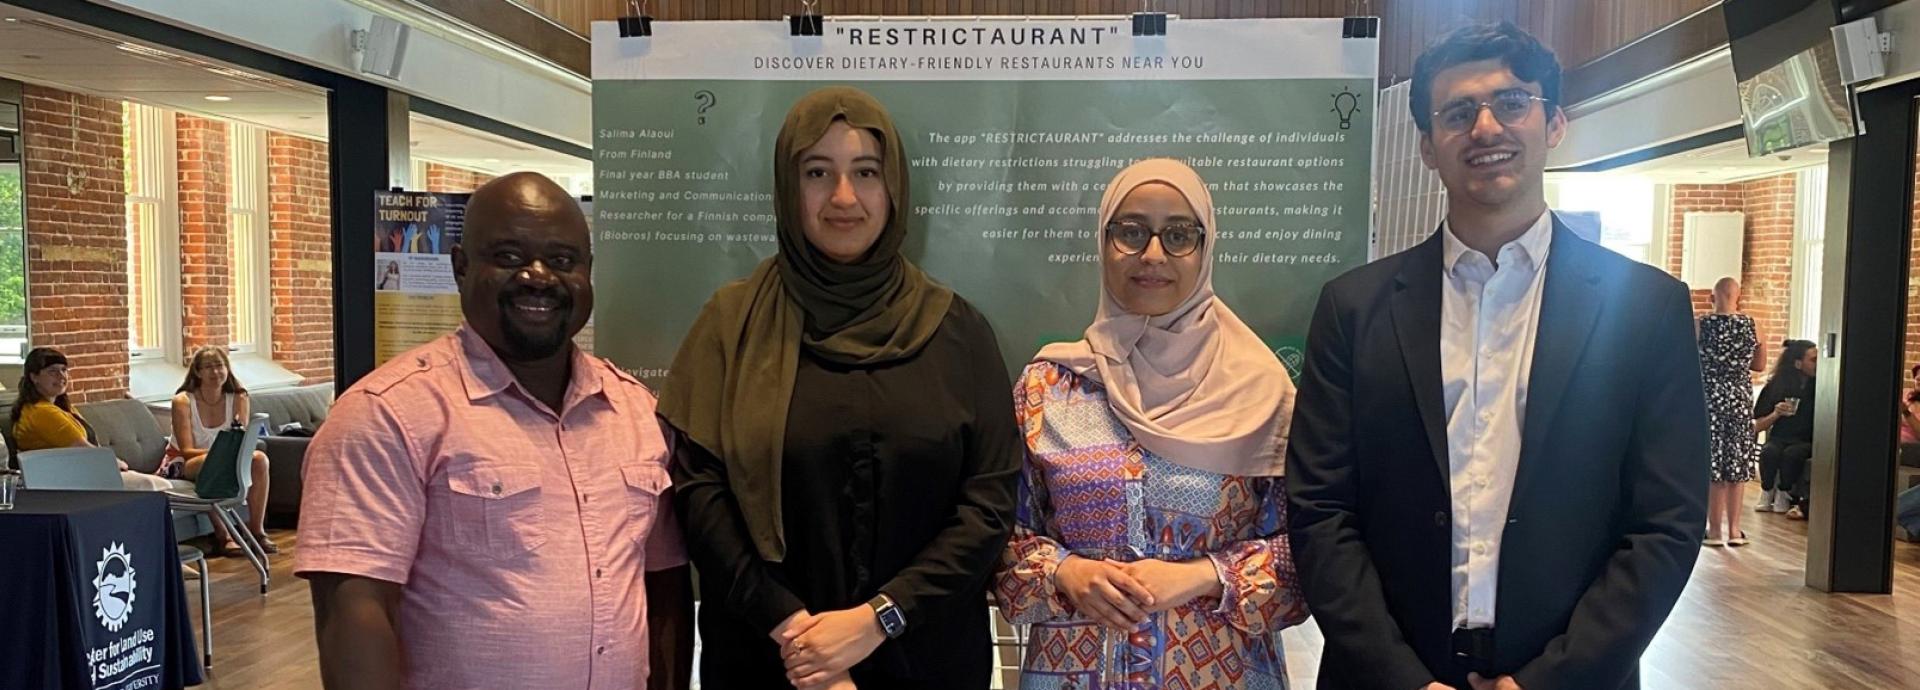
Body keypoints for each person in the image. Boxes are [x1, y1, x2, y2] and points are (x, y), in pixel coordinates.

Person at [1285, 22, 1708, 690]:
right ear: (1428, 146)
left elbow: (1666, 526)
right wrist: (1401, 678)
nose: (1485, 128)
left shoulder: (1646, 309)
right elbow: (1319, 510)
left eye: (1511, 103)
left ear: (1555, 122)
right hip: (1385, 675)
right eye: (1458, 113)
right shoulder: (1354, 308)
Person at [659, 86, 1019, 690]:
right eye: (818, 172)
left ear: (894, 186)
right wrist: (795, 631)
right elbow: (700, 495)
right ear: (787, 186)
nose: (844, 197)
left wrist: (878, 619)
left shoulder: (957, 330)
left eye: (866, 172)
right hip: (770, 659)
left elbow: (988, 506)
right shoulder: (731, 324)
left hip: (925, 660)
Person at [296, 172, 694, 690]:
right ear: (460, 267)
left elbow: (662, 587)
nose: (538, 276)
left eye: (562, 260)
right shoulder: (386, 415)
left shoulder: (635, 413)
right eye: (508, 256)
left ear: (588, 274)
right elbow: (354, 613)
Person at [994, 159, 1308, 688]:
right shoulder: (1048, 387)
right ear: (1104, 242)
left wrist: (1201, 577)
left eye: (1179, 234)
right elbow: (1001, 540)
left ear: (1205, 248)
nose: (1153, 254)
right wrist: (1066, 572)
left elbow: (1309, 558)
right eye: (1131, 232)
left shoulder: (1261, 392)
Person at [10, 347, 172, 491]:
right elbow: (83, 450)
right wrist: (115, 464)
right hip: (65, 481)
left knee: (161, 487)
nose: (61, 376)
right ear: (34, 377)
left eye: (64, 370)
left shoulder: (61, 407)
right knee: (155, 487)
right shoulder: (40, 412)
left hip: (83, 473)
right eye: (52, 371)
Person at [168, 346, 276, 554]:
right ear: (198, 372)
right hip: (187, 461)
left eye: (220, 366)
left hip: (228, 458)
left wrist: (226, 455)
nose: (216, 372)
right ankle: (223, 535)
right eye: (209, 367)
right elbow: (186, 450)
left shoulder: (238, 397)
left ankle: (256, 531)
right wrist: (219, 455)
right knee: (213, 463)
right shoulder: (182, 401)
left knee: (259, 459)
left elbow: (240, 440)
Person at [1699, 277, 1764, 547]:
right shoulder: (1752, 325)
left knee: (1714, 462)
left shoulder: (1700, 324)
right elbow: (1759, 365)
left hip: (1710, 396)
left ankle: (1714, 531)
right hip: (1739, 397)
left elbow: (1688, 359)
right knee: (1737, 461)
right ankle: (1735, 531)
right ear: (1739, 297)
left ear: (1712, 298)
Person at [1755, 340, 1818, 520]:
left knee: (1793, 453)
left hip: (1807, 439)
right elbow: (1757, 424)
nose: (1818, 365)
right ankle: (1767, 491)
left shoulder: (1821, 387)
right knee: (1770, 451)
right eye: (1813, 360)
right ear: (1798, 363)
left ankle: (1784, 492)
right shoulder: (1775, 386)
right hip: (1780, 436)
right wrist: (1775, 414)